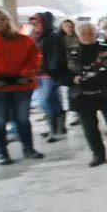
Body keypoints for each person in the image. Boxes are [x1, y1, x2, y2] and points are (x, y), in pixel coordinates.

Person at [61, 22, 107, 167]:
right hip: (81, 95)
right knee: (89, 128)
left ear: (96, 34)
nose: (87, 37)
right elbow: (58, 71)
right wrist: (71, 79)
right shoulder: (69, 52)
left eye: (91, 33)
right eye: (83, 33)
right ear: (78, 35)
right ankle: (98, 154)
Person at [0, 6, 44, 165]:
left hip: (21, 85)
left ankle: (28, 148)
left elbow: (35, 57)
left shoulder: (23, 40)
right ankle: (1, 152)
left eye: (2, 19)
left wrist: (25, 74)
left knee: (22, 119)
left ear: (8, 21)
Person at [30, 11, 66, 142]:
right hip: (37, 73)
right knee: (52, 100)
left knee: (44, 101)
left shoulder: (53, 37)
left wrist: (51, 70)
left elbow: (56, 56)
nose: (34, 25)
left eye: (37, 22)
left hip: (49, 74)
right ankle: (58, 128)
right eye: (33, 23)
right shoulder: (34, 36)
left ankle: (54, 130)